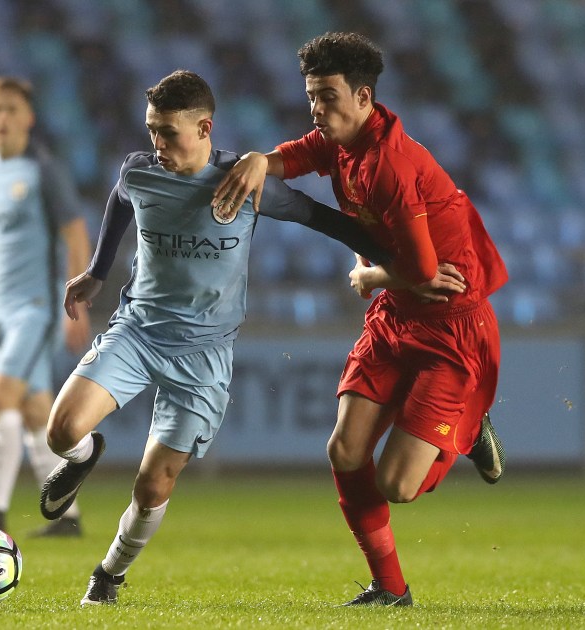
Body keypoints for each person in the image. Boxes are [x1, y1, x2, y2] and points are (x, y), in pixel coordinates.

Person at [37, 69, 463, 606]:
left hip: (204, 356)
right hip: (139, 332)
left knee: (151, 488)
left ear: (205, 128)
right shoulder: (140, 171)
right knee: (60, 431)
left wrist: (404, 268)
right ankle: (81, 458)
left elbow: (328, 221)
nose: (157, 144)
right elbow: (122, 201)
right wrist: (98, 272)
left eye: (168, 133)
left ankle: (109, 574)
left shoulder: (244, 183)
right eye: (151, 132)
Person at [212, 32, 508, 606]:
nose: (316, 109)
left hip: (451, 325)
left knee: (397, 485)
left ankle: (471, 429)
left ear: (364, 97)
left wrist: (368, 276)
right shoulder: (343, 142)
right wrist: (259, 160)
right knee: (345, 453)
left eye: (327, 97)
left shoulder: (391, 165)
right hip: (397, 319)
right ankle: (390, 589)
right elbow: (299, 154)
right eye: (311, 97)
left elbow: (424, 270)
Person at [0, 76, 93, 538]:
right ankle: (67, 519)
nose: (3, 118)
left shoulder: (42, 170)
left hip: (36, 307)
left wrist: (79, 301)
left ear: (29, 118)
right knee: (35, 414)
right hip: (1, 309)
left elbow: (75, 232)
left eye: (12, 109)